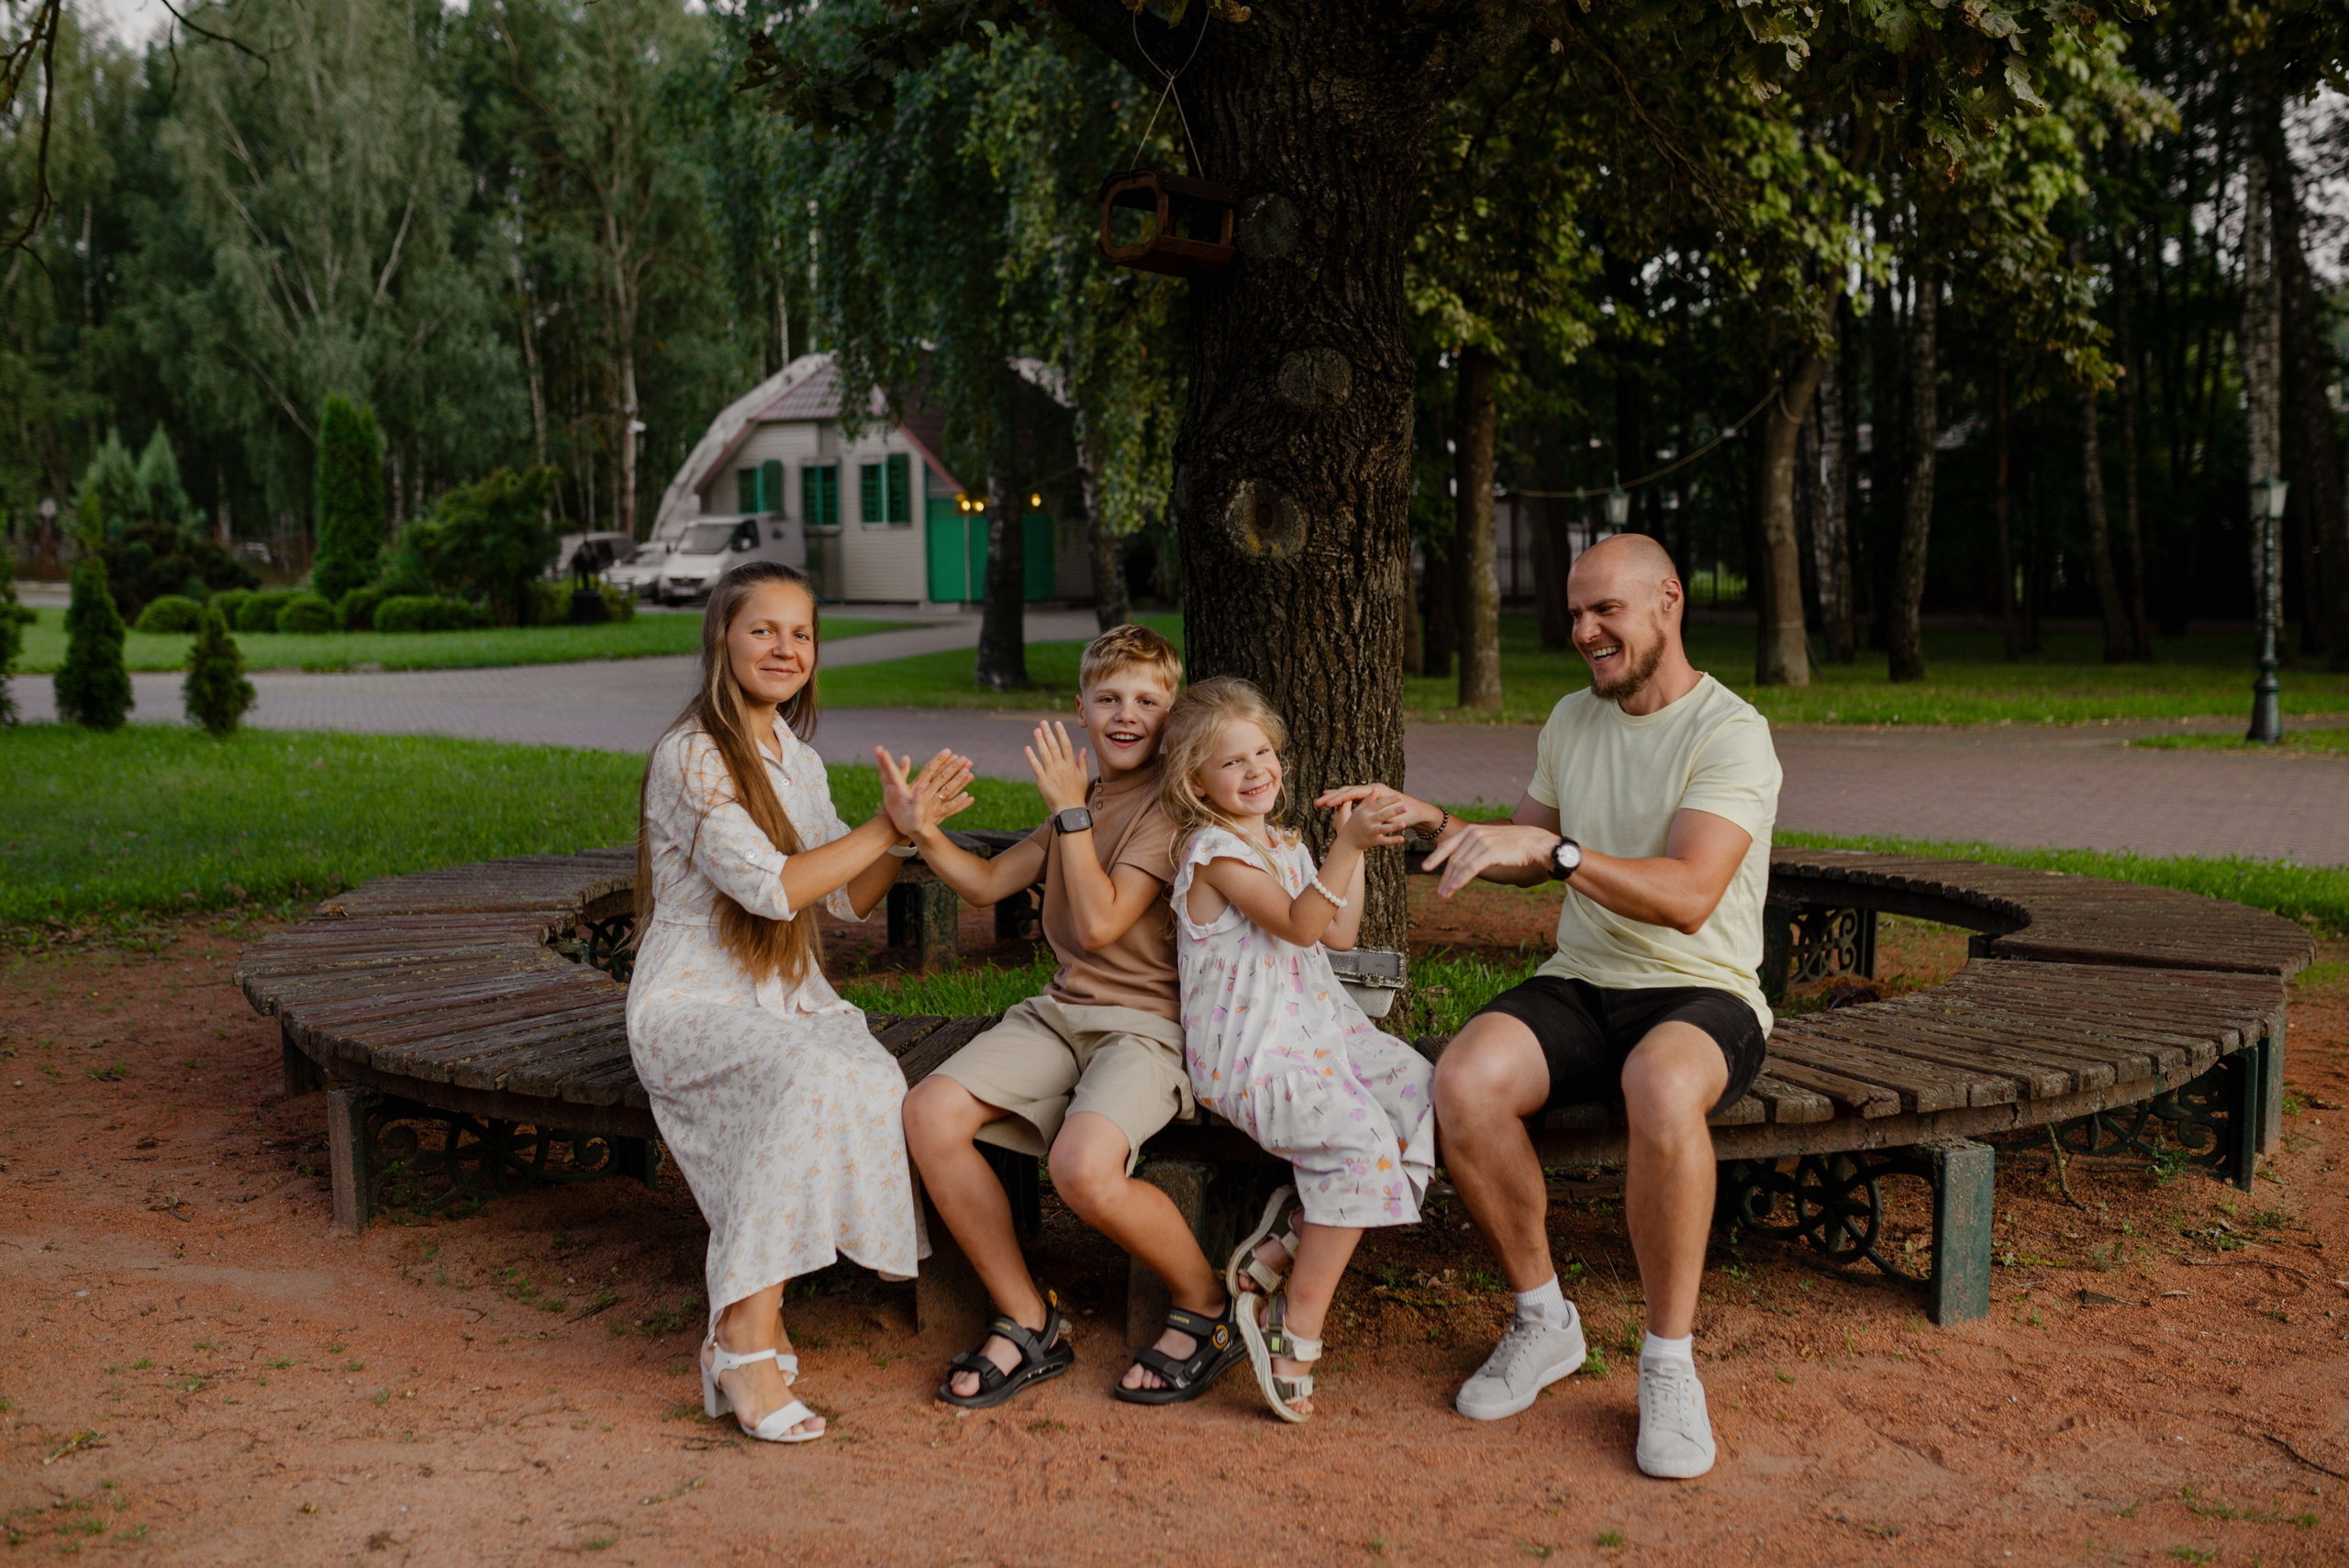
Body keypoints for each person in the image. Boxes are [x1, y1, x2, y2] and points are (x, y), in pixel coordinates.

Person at [1321, 532, 1780, 1478]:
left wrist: (1564, 855)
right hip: (1585, 978)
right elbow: (1525, 851)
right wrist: (1435, 824)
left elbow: (1690, 892)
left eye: (1604, 609)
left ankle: (1666, 1362)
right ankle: (1543, 1316)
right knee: (1465, 1077)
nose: (1583, 630)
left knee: (1658, 1084)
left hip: (1703, 988)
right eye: (1574, 612)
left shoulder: (1730, 731)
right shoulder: (1572, 719)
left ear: (1667, 599)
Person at [628, 560, 977, 1444]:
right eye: (764, 629)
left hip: (786, 996)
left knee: (866, 1078)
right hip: (693, 1000)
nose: (786, 648)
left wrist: (906, 836)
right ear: (722, 638)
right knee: (816, 1077)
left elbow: (842, 900)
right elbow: (771, 889)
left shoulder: (800, 758)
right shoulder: (690, 754)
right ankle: (745, 1338)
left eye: (802, 633)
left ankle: (751, 1320)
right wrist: (884, 828)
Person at [901, 624, 1252, 1407]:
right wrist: (921, 828)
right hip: (1062, 1013)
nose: (1128, 714)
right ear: (1081, 709)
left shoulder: (1171, 807)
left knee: (1081, 1167)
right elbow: (990, 882)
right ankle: (1028, 1318)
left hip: (1146, 1028)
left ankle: (1207, 1302)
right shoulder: (1090, 798)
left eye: (1148, 700)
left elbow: (1098, 924)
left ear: (1173, 716)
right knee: (929, 1111)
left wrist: (1067, 814)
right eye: (1110, 698)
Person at [1156, 677, 1428, 1422]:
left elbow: (1339, 932)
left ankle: (1290, 1237)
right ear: (1195, 781)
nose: (1256, 771)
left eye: (1264, 752)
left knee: (1421, 1089)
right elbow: (1303, 925)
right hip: (1255, 1052)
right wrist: (1347, 843)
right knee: (1363, 1138)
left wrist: (1355, 851)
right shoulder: (1212, 852)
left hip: (1322, 1030)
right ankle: (1294, 1321)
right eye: (1232, 761)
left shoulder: (1284, 842)